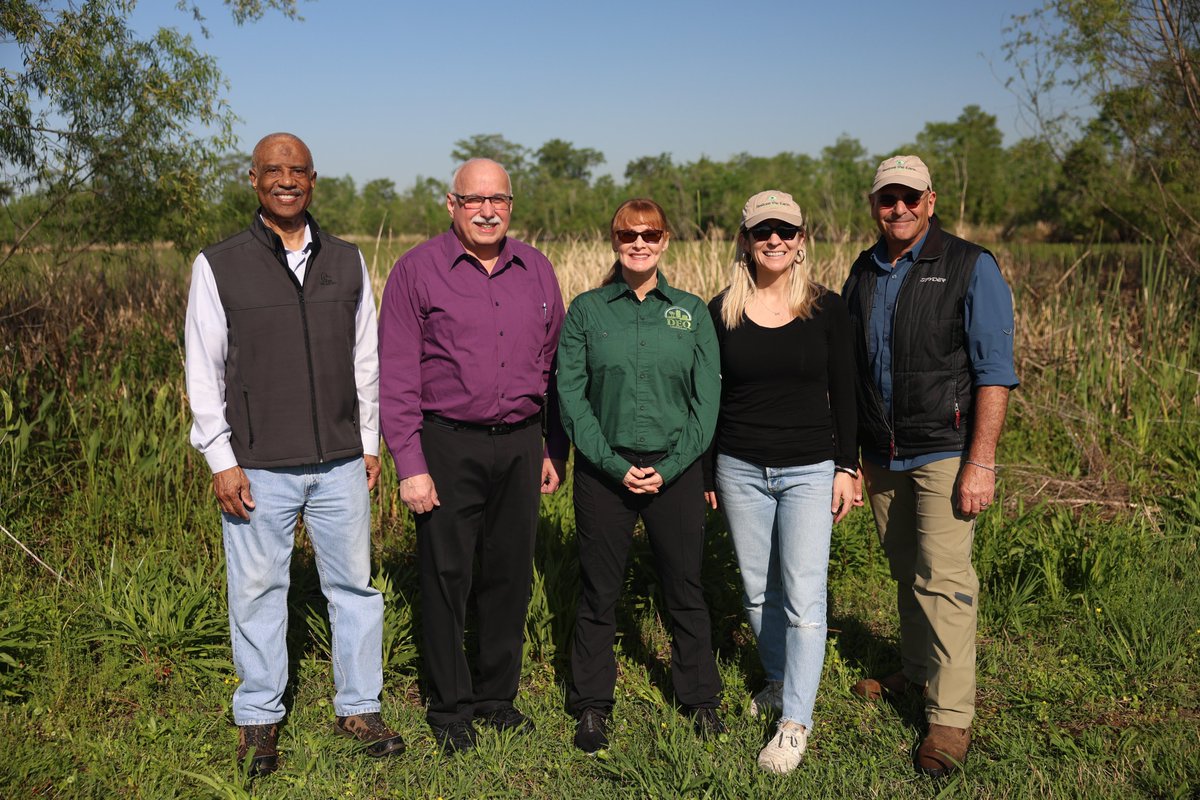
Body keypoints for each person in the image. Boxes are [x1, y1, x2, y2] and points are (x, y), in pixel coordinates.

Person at [185, 133, 404, 777]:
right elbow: (204, 370)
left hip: (340, 460)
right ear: (254, 179)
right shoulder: (218, 264)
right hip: (256, 463)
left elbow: (365, 359)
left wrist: (369, 443)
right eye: (274, 171)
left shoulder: (348, 259)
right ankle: (259, 717)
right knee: (257, 590)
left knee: (355, 589)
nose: (287, 180)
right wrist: (220, 458)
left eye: (298, 171)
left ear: (314, 180)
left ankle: (359, 707)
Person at [378, 158, 568, 755]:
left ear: (511, 206)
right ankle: (450, 703)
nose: (488, 210)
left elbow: (555, 366)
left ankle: (496, 697)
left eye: (500, 200)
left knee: (509, 573)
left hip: (519, 441)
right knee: (446, 576)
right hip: (446, 441)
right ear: (452, 204)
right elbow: (396, 375)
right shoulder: (417, 271)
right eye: (475, 199)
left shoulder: (535, 269)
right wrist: (410, 464)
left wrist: (550, 446)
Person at [842, 155, 1019, 777]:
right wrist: (853, 455)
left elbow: (995, 372)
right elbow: (851, 368)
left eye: (910, 197)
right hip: (882, 451)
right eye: (888, 198)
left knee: (944, 580)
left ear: (931, 200)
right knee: (904, 569)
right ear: (874, 205)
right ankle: (914, 673)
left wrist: (982, 462)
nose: (899, 208)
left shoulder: (971, 266)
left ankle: (949, 719)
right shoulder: (864, 271)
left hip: (945, 450)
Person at [555, 198, 724, 754]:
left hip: (676, 470)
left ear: (666, 240)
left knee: (685, 588)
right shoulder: (586, 311)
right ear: (614, 241)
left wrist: (672, 468)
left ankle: (699, 699)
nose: (639, 242)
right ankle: (592, 707)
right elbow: (572, 399)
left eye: (650, 233)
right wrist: (615, 465)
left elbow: (707, 405)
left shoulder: (692, 312)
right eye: (628, 234)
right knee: (600, 593)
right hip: (606, 473)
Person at [703, 191, 859, 774]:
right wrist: (709, 468)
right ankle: (775, 678)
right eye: (762, 231)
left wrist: (848, 466)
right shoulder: (723, 310)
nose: (774, 240)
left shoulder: (828, 309)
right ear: (745, 240)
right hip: (739, 467)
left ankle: (795, 721)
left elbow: (846, 392)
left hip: (808, 469)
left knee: (803, 594)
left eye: (785, 231)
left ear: (801, 241)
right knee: (755, 587)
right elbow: (711, 398)